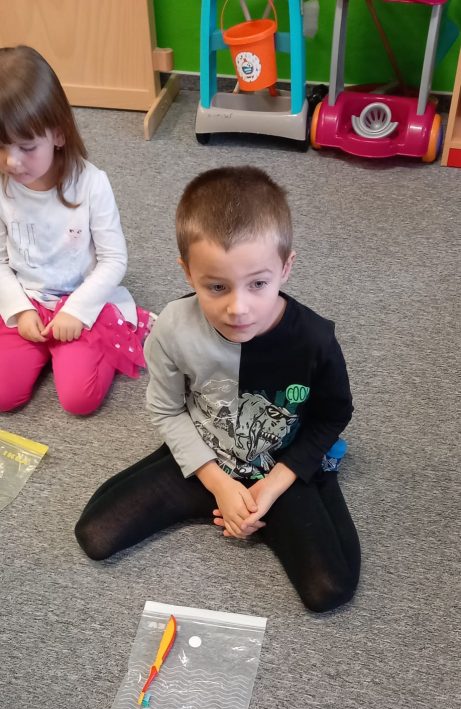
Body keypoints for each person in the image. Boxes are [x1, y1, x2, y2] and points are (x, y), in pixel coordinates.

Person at [75, 166, 361, 612]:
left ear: (286, 268)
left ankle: (319, 475)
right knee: (95, 535)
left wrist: (274, 486)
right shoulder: (172, 328)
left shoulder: (315, 339)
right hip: (211, 453)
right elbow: (167, 409)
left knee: (329, 589)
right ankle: (205, 482)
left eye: (258, 284)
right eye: (216, 286)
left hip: (280, 463)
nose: (238, 308)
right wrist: (219, 484)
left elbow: (333, 415)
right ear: (188, 273)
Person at [0, 46, 151, 415]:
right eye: (1, 146)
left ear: (58, 134)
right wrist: (20, 310)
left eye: (26, 146)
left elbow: (114, 260)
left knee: (79, 400)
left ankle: (80, 348)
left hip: (82, 302)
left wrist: (78, 311)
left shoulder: (92, 184)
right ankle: (45, 349)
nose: (11, 161)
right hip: (28, 300)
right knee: (3, 395)